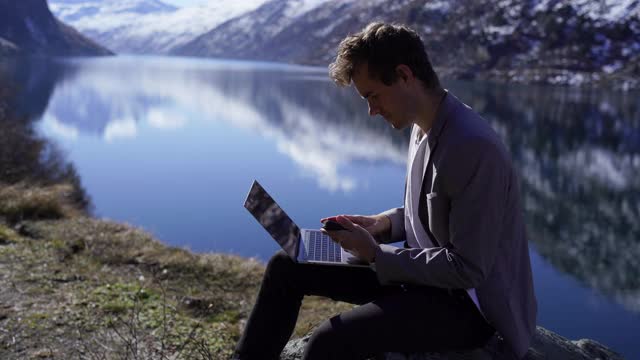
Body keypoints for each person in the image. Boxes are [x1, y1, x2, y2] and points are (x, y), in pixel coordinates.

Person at [232, 22, 537, 360]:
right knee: (286, 266)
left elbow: (467, 268)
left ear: (404, 75)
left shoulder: (473, 147)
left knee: (327, 342)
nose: (371, 110)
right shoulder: (424, 126)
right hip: (422, 277)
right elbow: (435, 215)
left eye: (372, 95)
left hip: (467, 306)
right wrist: (380, 225)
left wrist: (376, 254)